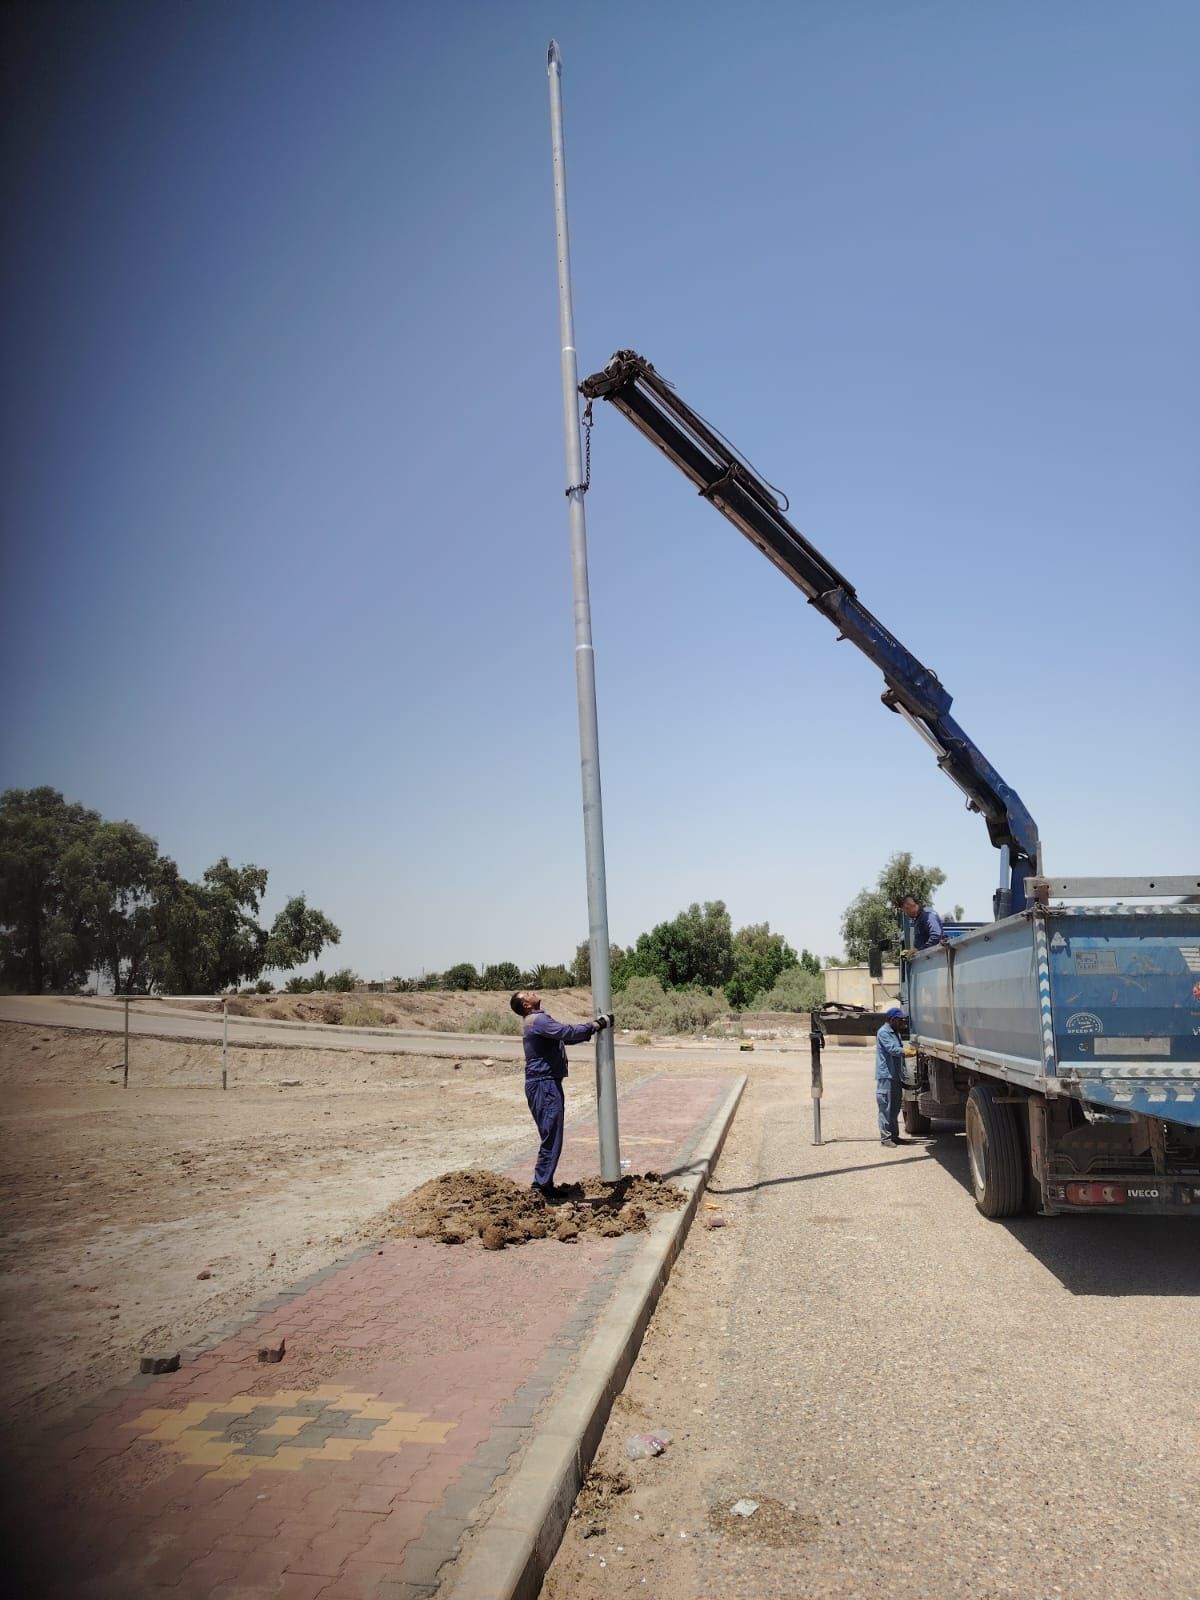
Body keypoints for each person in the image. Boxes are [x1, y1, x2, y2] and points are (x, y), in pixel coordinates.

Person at [510, 990, 610, 1198]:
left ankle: (544, 1183)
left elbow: (566, 1037)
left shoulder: (537, 1020)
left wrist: (590, 1029)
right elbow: (567, 1033)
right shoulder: (537, 1021)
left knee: (551, 1135)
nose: (532, 992)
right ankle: (540, 1186)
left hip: (544, 1084)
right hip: (544, 1085)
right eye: (527, 994)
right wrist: (596, 1025)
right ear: (526, 1005)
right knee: (551, 1136)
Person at [875, 1005, 909, 1148]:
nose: (902, 1023)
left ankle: (894, 1136)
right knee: (886, 1107)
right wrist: (906, 1051)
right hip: (886, 1076)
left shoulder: (895, 1032)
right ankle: (886, 1138)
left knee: (895, 1108)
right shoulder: (884, 1032)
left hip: (895, 1075)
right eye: (900, 1020)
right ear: (893, 1020)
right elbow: (892, 1049)